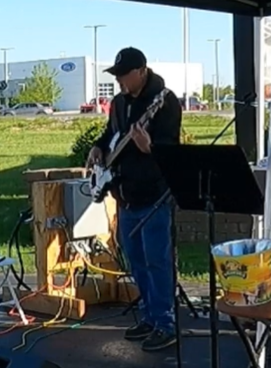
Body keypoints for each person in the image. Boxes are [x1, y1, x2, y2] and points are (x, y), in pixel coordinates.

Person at [87, 47, 183, 352]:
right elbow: (111, 133)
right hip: (124, 193)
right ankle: (149, 317)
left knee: (158, 261)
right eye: (116, 76)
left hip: (154, 195)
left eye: (124, 75)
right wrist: (98, 146)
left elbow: (171, 148)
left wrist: (149, 147)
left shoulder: (164, 102)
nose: (119, 81)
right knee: (137, 261)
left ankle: (165, 323)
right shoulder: (118, 103)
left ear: (141, 72)